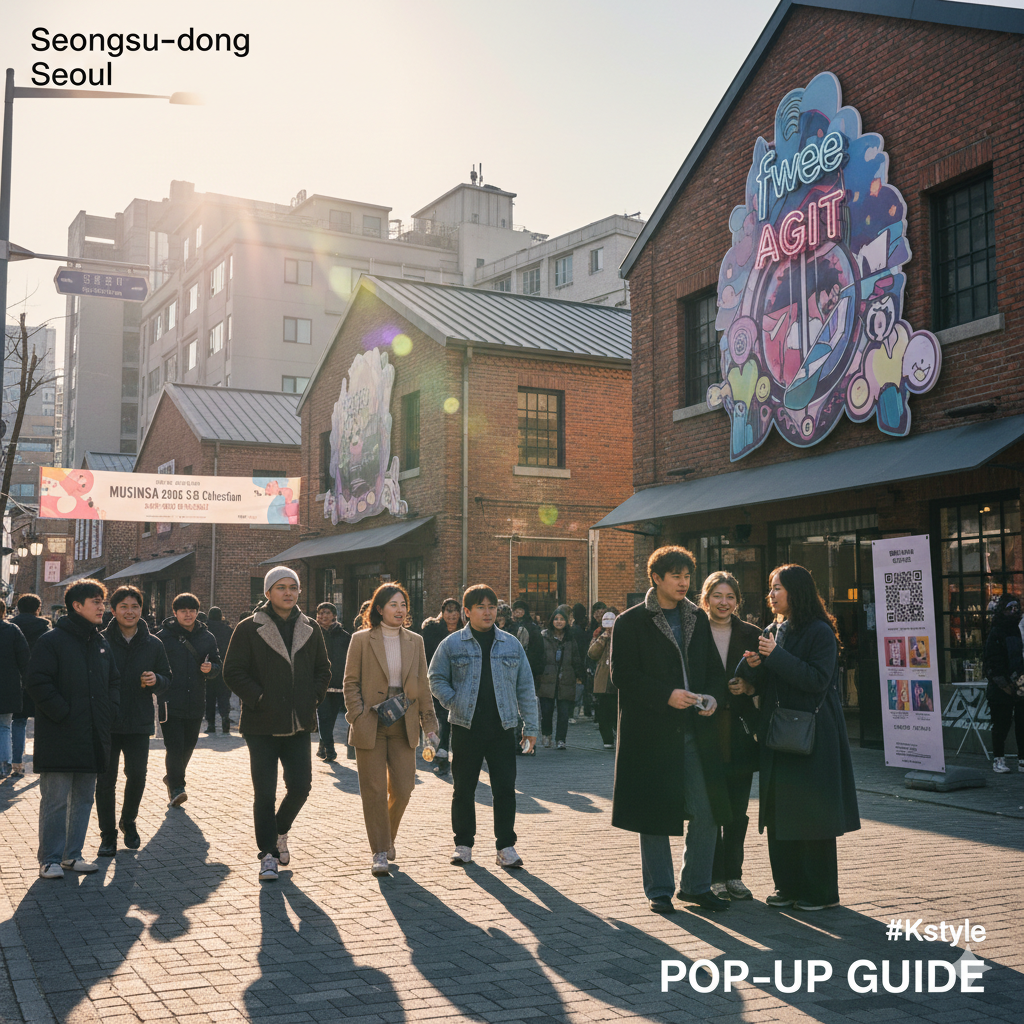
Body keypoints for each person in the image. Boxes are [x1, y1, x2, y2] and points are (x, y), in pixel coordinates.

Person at [610, 546, 730, 914]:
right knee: (655, 812)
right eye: (675, 575)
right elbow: (622, 675)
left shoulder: (697, 617)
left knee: (708, 809)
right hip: (650, 731)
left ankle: (695, 885)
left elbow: (713, 670)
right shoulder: (631, 621)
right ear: (656, 578)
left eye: (687, 576)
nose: (683, 583)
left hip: (695, 729)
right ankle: (659, 890)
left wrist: (711, 697)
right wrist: (666, 695)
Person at [740, 564, 860, 911]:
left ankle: (819, 892)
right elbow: (772, 681)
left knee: (812, 814)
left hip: (814, 735)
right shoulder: (773, 628)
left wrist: (774, 656)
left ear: (797, 591)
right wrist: (750, 672)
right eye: (770, 588)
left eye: (777, 588)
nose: (771, 595)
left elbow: (815, 680)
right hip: (778, 733)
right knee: (779, 811)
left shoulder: (820, 631)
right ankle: (787, 886)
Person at [223, 567, 330, 881]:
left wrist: (312, 698)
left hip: (298, 723)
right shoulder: (248, 628)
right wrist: (258, 698)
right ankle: (267, 854)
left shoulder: (310, 627)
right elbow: (233, 672)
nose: (288, 593)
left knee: (300, 787)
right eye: (281, 587)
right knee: (265, 794)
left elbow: (324, 670)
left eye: (293, 587)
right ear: (268, 592)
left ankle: (280, 830)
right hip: (261, 725)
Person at [429, 585, 538, 868]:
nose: (488, 612)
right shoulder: (452, 644)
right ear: (467, 612)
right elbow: (435, 677)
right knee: (463, 788)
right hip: (466, 727)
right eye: (480, 607)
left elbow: (526, 686)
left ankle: (506, 847)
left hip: (503, 727)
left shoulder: (511, 644)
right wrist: (455, 701)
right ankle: (463, 844)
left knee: (504, 789)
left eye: (492, 607)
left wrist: (531, 727)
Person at [27, 579, 120, 879]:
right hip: (60, 734)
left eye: (102, 602)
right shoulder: (51, 641)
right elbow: (37, 682)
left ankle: (72, 855)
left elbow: (113, 682)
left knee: (83, 798)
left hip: (93, 733)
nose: (102, 607)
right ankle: (50, 859)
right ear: (77, 606)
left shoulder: (101, 642)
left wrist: (108, 712)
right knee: (55, 800)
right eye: (96, 602)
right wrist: (63, 714)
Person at [343, 584, 438, 876]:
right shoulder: (361, 640)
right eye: (393, 604)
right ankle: (380, 851)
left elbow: (422, 685)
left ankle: (389, 835)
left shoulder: (415, 641)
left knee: (404, 788)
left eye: (403, 604)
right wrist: (358, 716)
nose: (399, 610)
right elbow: (350, 683)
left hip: (404, 722)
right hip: (371, 722)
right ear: (380, 608)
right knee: (372, 790)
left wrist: (430, 726)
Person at [699, 571, 761, 901]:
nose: (724, 603)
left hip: (739, 733)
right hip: (705, 731)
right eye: (718, 596)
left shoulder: (752, 634)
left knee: (738, 809)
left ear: (737, 601)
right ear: (706, 598)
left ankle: (734, 875)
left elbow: (768, 677)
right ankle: (714, 875)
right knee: (710, 807)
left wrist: (750, 686)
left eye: (730, 597)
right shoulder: (694, 631)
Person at [96, 586, 172, 856]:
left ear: (142, 610)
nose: (130, 611)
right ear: (113, 610)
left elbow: (167, 678)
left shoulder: (153, 643)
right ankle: (107, 835)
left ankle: (128, 821)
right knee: (106, 780)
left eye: (135, 606)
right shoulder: (100, 641)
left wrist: (157, 680)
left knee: (137, 776)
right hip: (107, 722)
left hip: (138, 720)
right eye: (124, 607)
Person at [156, 593, 221, 807]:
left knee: (189, 745)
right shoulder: (162, 637)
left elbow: (217, 664)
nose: (188, 614)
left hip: (196, 700)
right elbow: (154, 666)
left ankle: (172, 778)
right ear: (174, 613)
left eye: (192, 611)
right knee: (174, 746)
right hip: (169, 701)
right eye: (183, 611)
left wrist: (211, 669)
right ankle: (178, 787)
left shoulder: (207, 637)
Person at [10, 594, 51, 778]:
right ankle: (43, 763)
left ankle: (17, 763)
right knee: (43, 723)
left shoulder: (11, 627)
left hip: (16, 681)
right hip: (40, 680)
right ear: (38, 608)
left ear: (18, 608)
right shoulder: (45, 628)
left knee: (18, 723)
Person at [421, 598, 462, 777]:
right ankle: (438, 751)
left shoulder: (465, 632)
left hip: (458, 681)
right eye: (448, 611)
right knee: (436, 716)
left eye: (455, 611)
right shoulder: (432, 630)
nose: (452, 615)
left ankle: (443, 751)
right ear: (442, 612)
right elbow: (422, 654)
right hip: (435, 679)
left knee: (448, 717)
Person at [984, 593, 1024, 773]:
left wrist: (1019, 678)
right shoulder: (996, 631)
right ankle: (998, 759)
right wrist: (1004, 682)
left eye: (1016, 608)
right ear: (1003, 610)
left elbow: (1018, 656)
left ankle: (1022, 759)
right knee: (1001, 724)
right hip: (1001, 686)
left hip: (1018, 683)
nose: (1014, 611)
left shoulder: (1016, 629)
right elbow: (992, 660)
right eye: (1010, 608)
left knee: (1022, 723)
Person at [537, 604, 584, 750]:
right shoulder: (544, 637)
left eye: (562, 619)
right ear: (552, 620)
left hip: (566, 678)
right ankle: (546, 735)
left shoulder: (570, 638)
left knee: (564, 712)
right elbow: (539, 658)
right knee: (546, 711)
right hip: (547, 678)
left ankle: (561, 739)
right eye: (556, 619)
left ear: (566, 622)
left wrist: (579, 675)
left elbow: (576, 658)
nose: (558, 622)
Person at [314, 602, 352, 762]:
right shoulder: (313, 635)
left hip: (338, 683)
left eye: (326, 613)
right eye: (320, 613)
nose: (323, 616)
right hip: (319, 683)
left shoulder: (345, 636)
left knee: (330, 718)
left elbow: (351, 659)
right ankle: (330, 749)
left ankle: (322, 745)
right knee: (323, 717)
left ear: (334, 615)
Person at [0, 599, 30, 778]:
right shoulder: (12, 630)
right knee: (4, 726)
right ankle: (4, 764)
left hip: (9, 686)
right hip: (8, 686)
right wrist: (25, 683)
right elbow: (24, 659)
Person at [587, 606, 619, 748]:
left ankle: (618, 736)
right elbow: (592, 654)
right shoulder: (598, 634)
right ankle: (607, 739)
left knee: (617, 711)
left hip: (619, 680)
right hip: (602, 679)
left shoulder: (624, 634)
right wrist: (604, 637)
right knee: (603, 711)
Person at [205, 607, 234, 733]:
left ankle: (211, 724)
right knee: (224, 696)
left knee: (209, 697)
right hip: (224, 668)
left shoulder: (205, 630)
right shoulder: (229, 630)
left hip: (209, 668)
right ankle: (225, 718)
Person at [511, 600, 545, 682]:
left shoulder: (523, 628)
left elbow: (520, 649)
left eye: (516, 611)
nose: (514, 614)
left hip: (525, 668)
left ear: (522, 612)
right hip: (533, 668)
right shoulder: (533, 626)